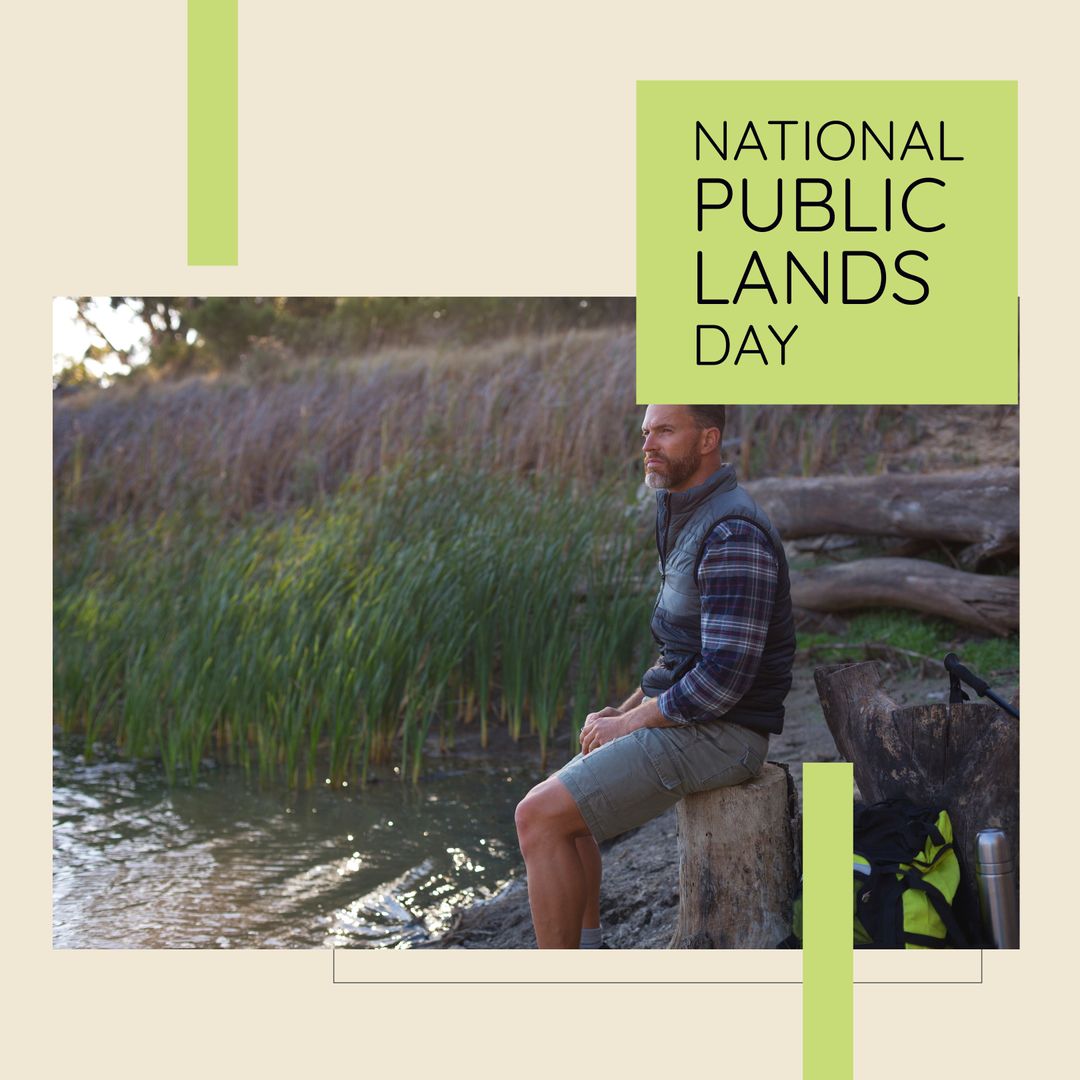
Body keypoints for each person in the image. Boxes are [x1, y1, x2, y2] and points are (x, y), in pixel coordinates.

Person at [514, 403, 796, 948]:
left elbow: (722, 679)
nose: (648, 445)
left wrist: (629, 725)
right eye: (646, 432)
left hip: (727, 733)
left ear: (708, 439)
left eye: (665, 431)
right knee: (554, 808)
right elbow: (679, 654)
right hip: (693, 720)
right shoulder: (683, 512)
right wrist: (622, 710)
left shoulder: (733, 532)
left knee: (538, 818)